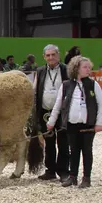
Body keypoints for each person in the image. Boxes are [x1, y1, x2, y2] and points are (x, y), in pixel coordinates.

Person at [46, 56, 102, 188]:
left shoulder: (93, 84)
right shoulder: (66, 85)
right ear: (76, 68)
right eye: (85, 67)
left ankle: (86, 178)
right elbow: (58, 105)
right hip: (71, 124)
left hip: (88, 125)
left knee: (87, 151)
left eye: (89, 67)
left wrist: (99, 123)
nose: (88, 69)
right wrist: (51, 122)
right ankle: (73, 177)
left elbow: (101, 105)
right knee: (73, 151)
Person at [33, 44, 70, 182]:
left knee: (63, 142)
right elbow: (35, 90)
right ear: (44, 57)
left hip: (62, 112)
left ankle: (64, 171)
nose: (51, 57)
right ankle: (50, 170)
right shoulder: (40, 71)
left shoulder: (66, 70)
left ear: (58, 55)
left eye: (53, 54)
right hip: (45, 111)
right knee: (48, 142)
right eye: (48, 55)